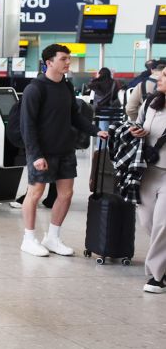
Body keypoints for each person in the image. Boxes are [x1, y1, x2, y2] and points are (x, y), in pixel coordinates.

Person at [20, 44, 108, 257]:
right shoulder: (35, 89)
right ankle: (29, 239)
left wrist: (96, 131)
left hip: (65, 149)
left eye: (68, 59)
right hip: (42, 152)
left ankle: (52, 237)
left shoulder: (66, 87)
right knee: (35, 194)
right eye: (63, 59)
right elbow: (27, 125)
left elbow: (75, 116)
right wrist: (36, 155)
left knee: (66, 194)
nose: (68, 62)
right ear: (49, 62)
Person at [130, 70, 166, 293]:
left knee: (163, 224)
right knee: (147, 222)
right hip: (148, 171)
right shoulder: (152, 103)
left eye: (164, 77)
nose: (159, 79)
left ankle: (157, 275)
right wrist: (136, 131)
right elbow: (137, 122)